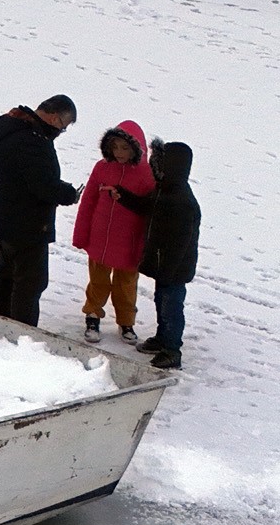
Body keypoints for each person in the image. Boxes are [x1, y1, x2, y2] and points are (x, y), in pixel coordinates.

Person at [0, 94, 79, 324]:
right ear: (55, 118)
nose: (61, 131)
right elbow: (42, 186)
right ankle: (21, 334)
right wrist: (68, 193)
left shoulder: (10, 127)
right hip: (27, 225)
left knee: (5, 276)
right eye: (63, 126)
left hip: (4, 216)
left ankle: (0, 325)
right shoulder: (32, 141)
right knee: (29, 283)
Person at [69, 121, 153, 343]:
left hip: (130, 241)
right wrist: (81, 234)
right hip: (100, 238)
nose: (119, 153)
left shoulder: (146, 174)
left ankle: (126, 321)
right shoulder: (102, 167)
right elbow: (88, 202)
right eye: (115, 147)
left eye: (125, 148)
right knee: (98, 280)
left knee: (126, 285)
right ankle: (93, 314)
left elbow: (149, 211)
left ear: (136, 148)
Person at [122, 140, 197, 369]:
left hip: (174, 269)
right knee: (161, 302)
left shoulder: (182, 201)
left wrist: (168, 270)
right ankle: (162, 338)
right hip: (163, 264)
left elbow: (182, 243)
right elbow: (146, 207)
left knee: (171, 307)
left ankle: (172, 350)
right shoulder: (163, 191)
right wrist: (123, 196)